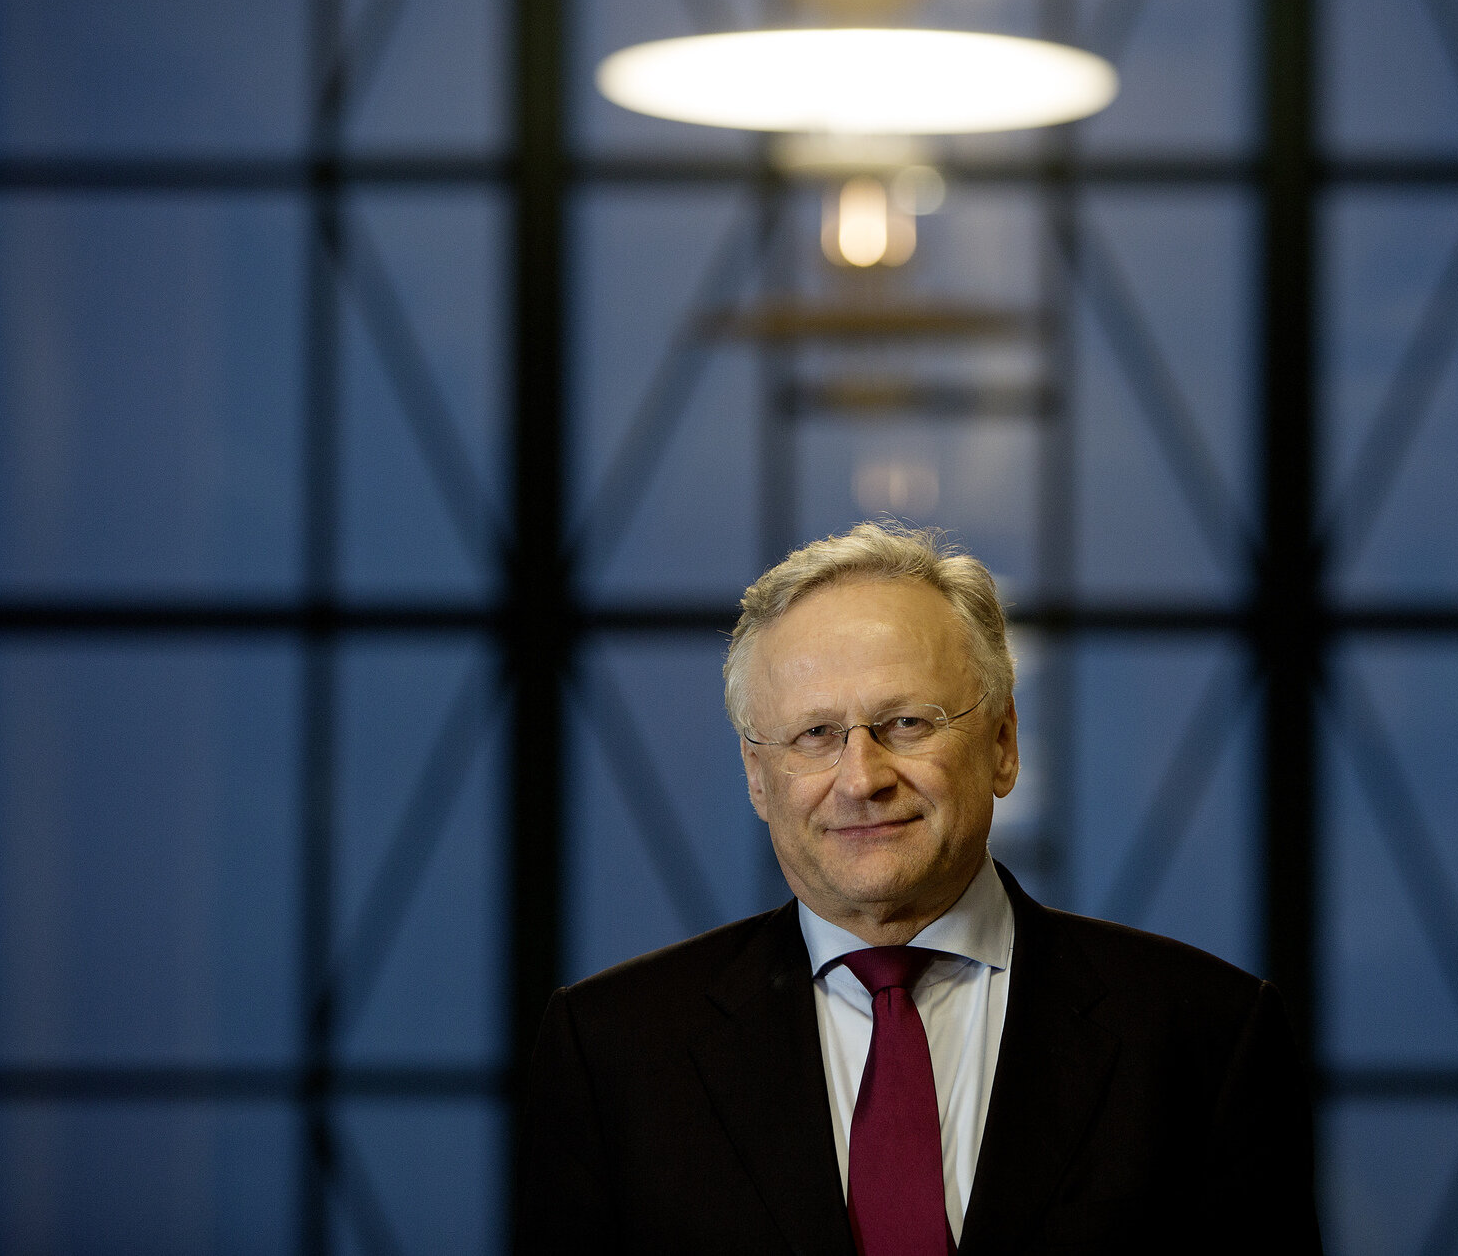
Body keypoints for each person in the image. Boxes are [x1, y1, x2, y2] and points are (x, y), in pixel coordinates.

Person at [519, 523, 1324, 1253]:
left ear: (1003, 743)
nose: (861, 778)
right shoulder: (610, 1054)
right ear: (757, 777)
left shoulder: (1208, 1038)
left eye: (906, 722)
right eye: (815, 734)